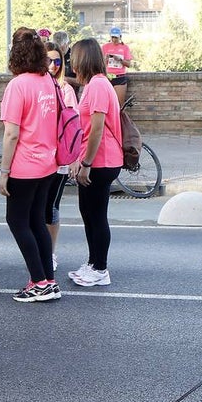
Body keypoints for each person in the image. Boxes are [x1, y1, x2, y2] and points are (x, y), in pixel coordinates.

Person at [0, 27, 62, 302]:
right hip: (48, 162)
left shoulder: (18, 85)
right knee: (37, 221)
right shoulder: (47, 79)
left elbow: (12, 134)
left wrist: (4, 172)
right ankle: (48, 280)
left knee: (17, 220)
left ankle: (39, 282)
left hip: (24, 165)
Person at [67, 38, 123, 288]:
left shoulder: (98, 85)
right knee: (88, 213)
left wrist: (86, 162)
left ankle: (100, 268)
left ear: (83, 60)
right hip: (94, 160)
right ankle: (93, 263)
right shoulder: (93, 85)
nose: (71, 64)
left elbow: (97, 129)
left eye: (73, 59)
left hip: (101, 161)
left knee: (97, 215)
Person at [44, 43, 78, 267]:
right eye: (49, 60)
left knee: (52, 207)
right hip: (41, 158)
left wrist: (75, 157)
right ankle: (42, 251)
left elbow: (74, 126)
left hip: (60, 159)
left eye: (58, 61)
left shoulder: (65, 89)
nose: (54, 65)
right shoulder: (37, 86)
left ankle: (51, 253)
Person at [101, 27, 132, 107]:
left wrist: (120, 60)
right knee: (106, 104)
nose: (114, 39)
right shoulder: (105, 47)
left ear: (120, 37)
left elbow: (128, 64)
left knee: (119, 105)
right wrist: (105, 59)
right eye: (112, 37)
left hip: (120, 77)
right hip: (107, 77)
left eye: (116, 37)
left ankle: (119, 119)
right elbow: (100, 64)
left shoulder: (125, 48)